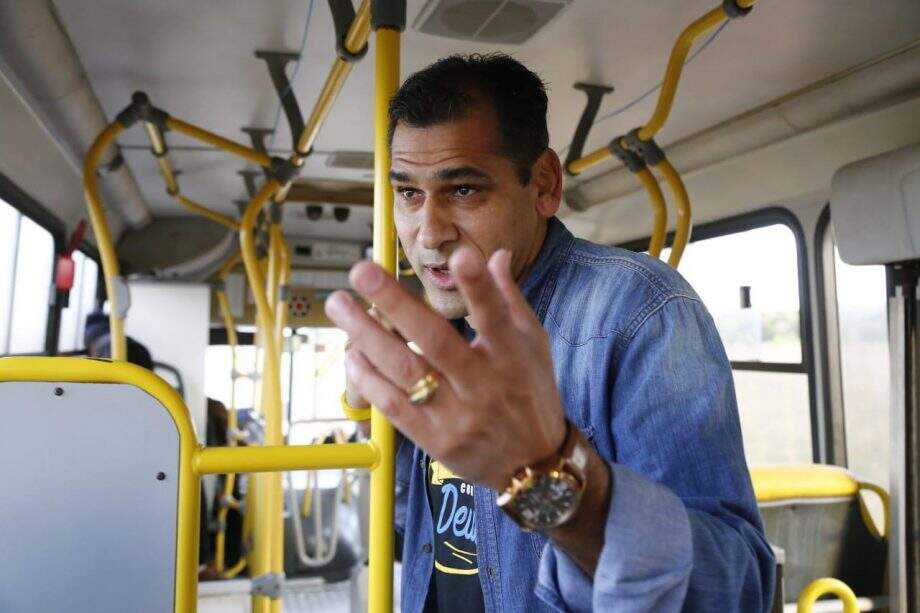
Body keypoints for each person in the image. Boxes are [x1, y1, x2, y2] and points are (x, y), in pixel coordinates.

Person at [325, 54, 775, 612]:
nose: (429, 233)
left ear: (543, 185)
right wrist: (367, 405)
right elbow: (433, 529)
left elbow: (736, 590)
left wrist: (548, 480)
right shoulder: (441, 330)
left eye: (463, 190)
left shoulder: (639, 312)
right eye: (408, 194)